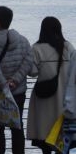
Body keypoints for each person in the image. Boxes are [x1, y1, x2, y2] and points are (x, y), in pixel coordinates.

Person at [0, 6, 32, 154]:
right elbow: (28, 61)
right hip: (18, 92)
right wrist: (15, 81)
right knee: (17, 128)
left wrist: (4, 85)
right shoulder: (23, 41)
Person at [27, 17, 75, 153]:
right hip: (64, 98)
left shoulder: (36, 48)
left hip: (44, 99)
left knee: (44, 135)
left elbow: (32, 72)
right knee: (62, 139)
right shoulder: (68, 47)